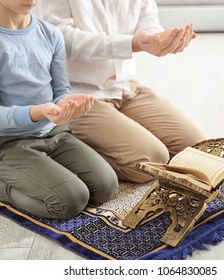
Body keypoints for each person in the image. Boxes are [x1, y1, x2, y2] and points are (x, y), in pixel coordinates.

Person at [0, 0, 118, 219]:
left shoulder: (51, 33)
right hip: (7, 143)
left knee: (106, 186)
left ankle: (41, 170)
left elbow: (61, 90)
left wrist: (66, 104)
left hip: (54, 134)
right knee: (70, 201)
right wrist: (39, 111)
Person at [34, 0, 205, 183]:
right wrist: (132, 44)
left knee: (193, 150)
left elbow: (146, 18)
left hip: (125, 87)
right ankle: (58, 148)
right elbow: (61, 39)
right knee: (149, 163)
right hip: (76, 95)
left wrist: (157, 38)